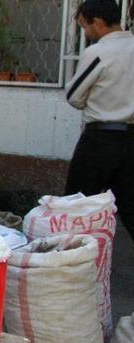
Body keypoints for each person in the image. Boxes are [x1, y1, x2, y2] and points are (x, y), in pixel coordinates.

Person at [65, 0, 134, 239]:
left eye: (85, 26)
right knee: (130, 206)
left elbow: (73, 96)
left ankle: (72, 259)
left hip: (101, 138)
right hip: (132, 139)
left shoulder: (99, 52)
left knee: (77, 203)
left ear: (98, 22)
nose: (86, 32)